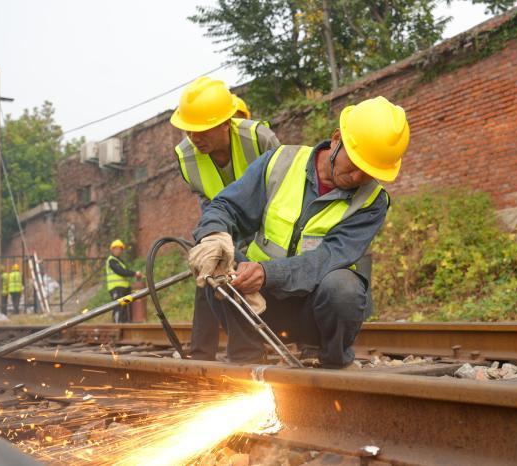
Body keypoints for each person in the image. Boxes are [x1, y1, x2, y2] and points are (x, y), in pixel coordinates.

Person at [188, 96, 410, 368]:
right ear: (337, 139)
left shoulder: (372, 202)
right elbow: (227, 206)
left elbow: (329, 257)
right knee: (218, 264)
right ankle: (246, 362)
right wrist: (213, 236)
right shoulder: (280, 162)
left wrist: (268, 274)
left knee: (344, 288)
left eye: (368, 173)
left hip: (313, 313)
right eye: (353, 165)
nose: (356, 178)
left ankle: (331, 362)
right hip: (257, 305)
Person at [170, 77, 281, 361]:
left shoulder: (259, 139)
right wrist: (215, 241)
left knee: (249, 274)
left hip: (267, 220)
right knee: (208, 268)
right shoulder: (186, 156)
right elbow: (207, 202)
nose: (195, 138)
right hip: (222, 221)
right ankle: (201, 356)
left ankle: (250, 353)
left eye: (203, 130)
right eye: (189, 130)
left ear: (225, 123)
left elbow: (282, 191)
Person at [105, 239, 142, 323]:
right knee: (118, 306)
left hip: (124, 289)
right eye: (117, 248)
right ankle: (117, 325)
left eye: (120, 249)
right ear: (112, 249)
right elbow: (121, 272)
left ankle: (125, 324)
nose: (119, 251)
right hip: (116, 289)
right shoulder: (111, 260)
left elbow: (124, 272)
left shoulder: (120, 261)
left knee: (125, 306)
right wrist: (134, 273)